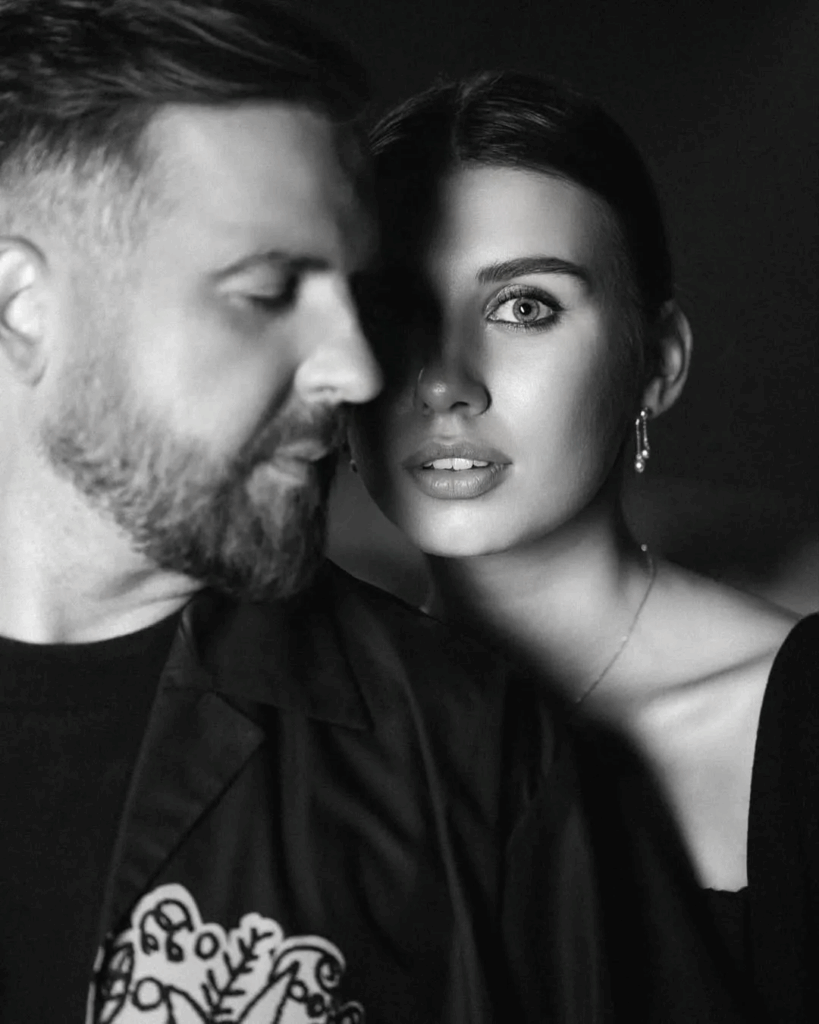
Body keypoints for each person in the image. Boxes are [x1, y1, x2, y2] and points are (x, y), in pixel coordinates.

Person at [0, 7, 617, 1022]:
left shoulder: (472, 750)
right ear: (24, 306)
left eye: (355, 299)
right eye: (269, 289)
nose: (360, 371)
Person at [349, 70, 819, 1021]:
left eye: (523, 306)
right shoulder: (294, 728)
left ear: (657, 363)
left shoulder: (796, 724)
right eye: (396, 309)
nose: (445, 383)